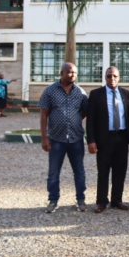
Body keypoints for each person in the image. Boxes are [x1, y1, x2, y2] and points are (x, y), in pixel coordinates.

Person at [86, 66, 129, 213]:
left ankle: (117, 200)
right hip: (104, 138)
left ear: (119, 77)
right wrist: (91, 140)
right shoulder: (96, 94)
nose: (112, 79)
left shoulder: (125, 93)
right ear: (105, 77)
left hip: (121, 137)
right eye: (109, 76)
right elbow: (90, 120)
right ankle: (101, 201)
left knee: (120, 170)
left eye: (115, 76)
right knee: (103, 171)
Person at [38, 63, 88, 213]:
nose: (72, 75)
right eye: (69, 72)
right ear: (61, 73)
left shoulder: (80, 92)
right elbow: (43, 115)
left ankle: (81, 200)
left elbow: (84, 112)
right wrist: (44, 138)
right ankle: (53, 201)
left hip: (76, 139)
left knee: (79, 171)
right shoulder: (50, 91)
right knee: (54, 172)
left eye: (75, 73)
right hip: (56, 139)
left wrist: (74, 120)